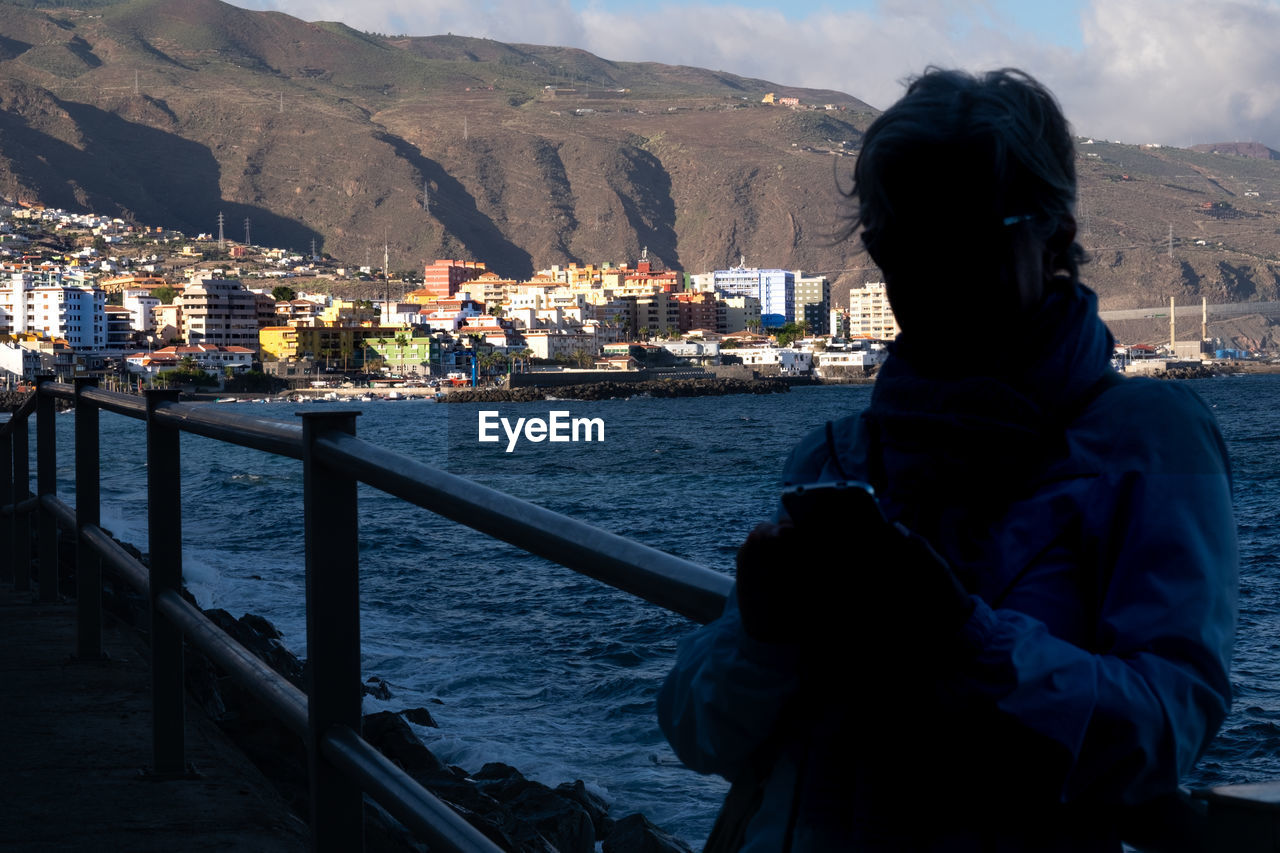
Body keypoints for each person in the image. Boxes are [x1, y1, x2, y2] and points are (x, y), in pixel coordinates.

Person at [657, 68, 1237, 852]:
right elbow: (699, 735)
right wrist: (757, 636)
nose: (931, 283)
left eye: (965, 242)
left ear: (1056, 238)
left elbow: (1169, 727)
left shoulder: (1151, 441)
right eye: (900, 248)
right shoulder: (836, 457)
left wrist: (963, 638)